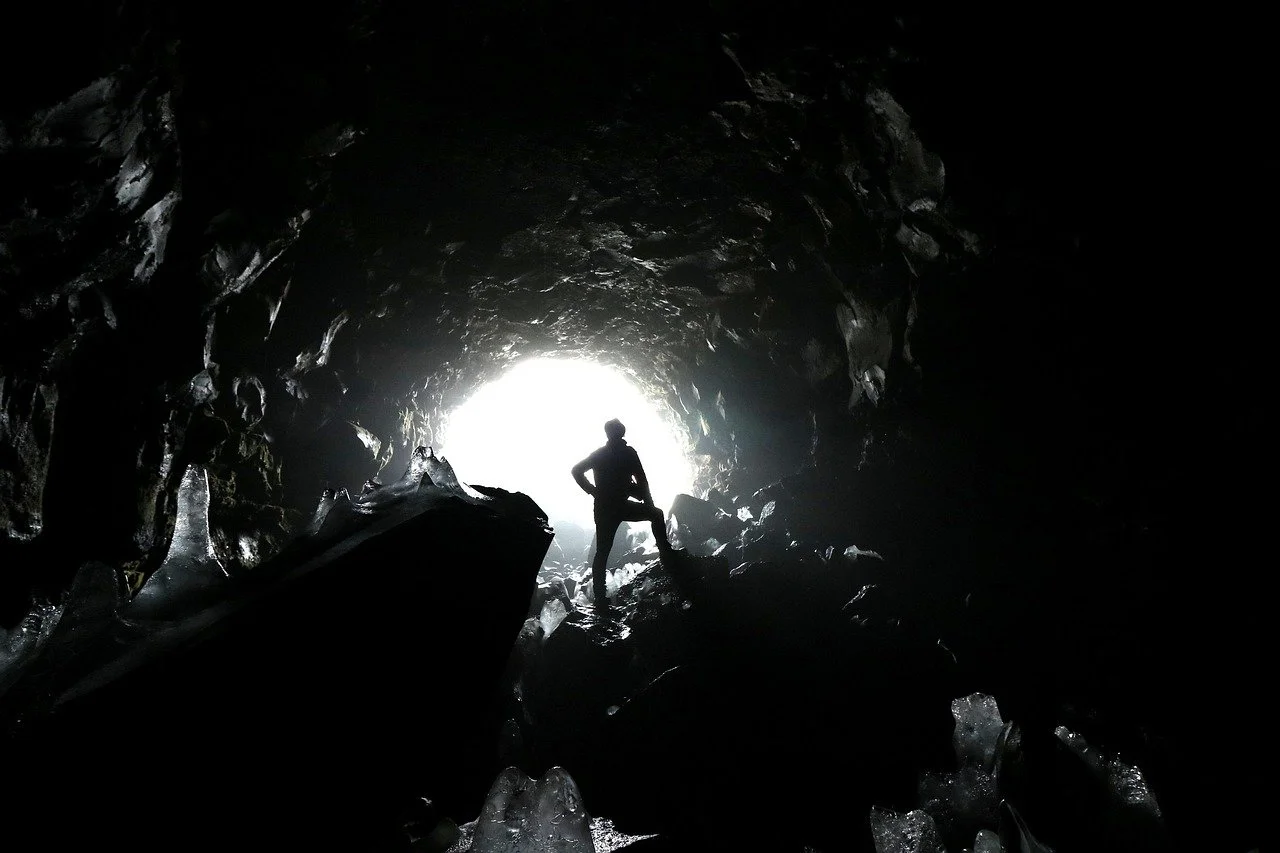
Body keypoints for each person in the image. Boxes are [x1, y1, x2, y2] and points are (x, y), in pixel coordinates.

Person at [571, 418, 674, 606]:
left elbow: (576, 470)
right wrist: (648, 503)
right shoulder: (628, 453)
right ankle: (667, 554)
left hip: (604, 508)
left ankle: (600, 598)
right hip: (620, 506)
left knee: (602, 551)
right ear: (622, 433)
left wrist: (593, 491)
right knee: (656, 515)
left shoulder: (599, 454)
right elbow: (642, 480)